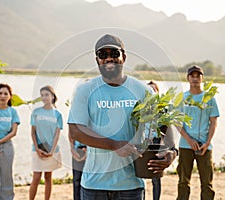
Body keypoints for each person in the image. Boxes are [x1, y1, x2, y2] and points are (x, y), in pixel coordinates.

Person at [68, 34, 177, 200]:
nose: (109, 58)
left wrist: (172, 151)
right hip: (94, 184)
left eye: (114, 53)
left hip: (132, 184)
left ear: (124, 57)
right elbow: (76, 130)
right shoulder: (86, 90)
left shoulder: (143, 90)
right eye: (103, 55)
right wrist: (114, 145)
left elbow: (163, 121)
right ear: (97, 60)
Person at [176, 65, 220, 200]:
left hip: (205, 147)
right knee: (183, 182)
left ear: (202, 78)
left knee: (207, 183)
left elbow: (213, 122)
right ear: (188, 78)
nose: (195, 79)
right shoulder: (182, 98)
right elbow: (177, 123)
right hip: (185, 145)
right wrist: (189, 140)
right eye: (192, 76)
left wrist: (207, 142)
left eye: (198, 76)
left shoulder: (209, 98)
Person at [29, 85, 63, 200]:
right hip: (37, 149)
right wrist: (37, 149)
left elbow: (57, 135)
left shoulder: (58, 114)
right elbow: (33, 132)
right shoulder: (36, 112)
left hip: (52, 150)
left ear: (52, 96)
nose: (44, 97)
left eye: (46, 95)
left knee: (48, 177)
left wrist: (52, 151)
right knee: (36, 177)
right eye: (42, 95)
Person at [147, 80, 176, 200]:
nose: (152, 92)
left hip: (156, 146)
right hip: (141, 148)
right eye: (149, 90)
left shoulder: (162, 112)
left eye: (154, 90)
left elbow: (168, 137)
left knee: (156, 179)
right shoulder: (138, 110)